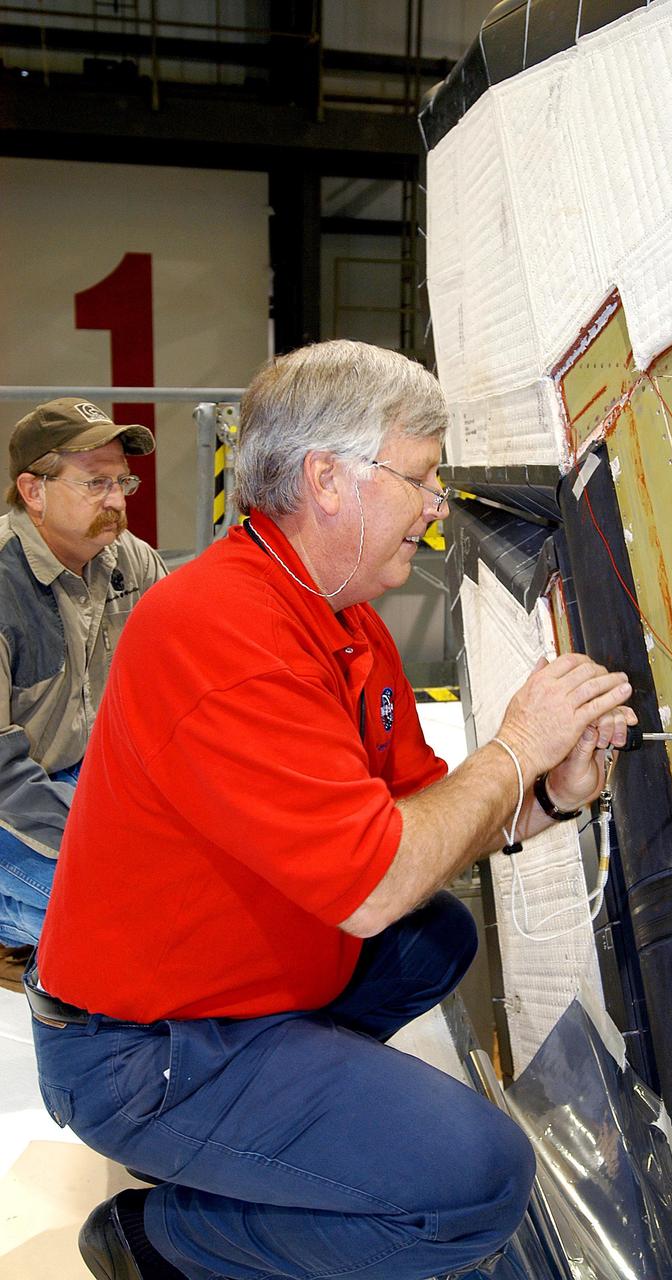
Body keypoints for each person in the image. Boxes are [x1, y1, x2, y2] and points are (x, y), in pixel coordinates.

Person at [29, 341, 635, 1280]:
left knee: (433, 938)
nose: (436, 509)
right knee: (476, 1181)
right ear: (328, 480)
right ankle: (167, 1241)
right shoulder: (223, 630)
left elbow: (425, 815)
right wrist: (516, 747)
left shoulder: (336, 618)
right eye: (423, 480)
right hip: (134, 1054)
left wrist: (550, 791)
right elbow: (374, 881)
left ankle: (278, 1138)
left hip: (220, 997)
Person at [0, 397, 166, 985]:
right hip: (9, 803)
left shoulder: (131, 562)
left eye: (123, 481)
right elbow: (2, 777)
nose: (118, 501)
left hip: (82, 779)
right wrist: (104, 834)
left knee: (193, 893)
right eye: (96, 483)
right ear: (33, 489)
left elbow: (179, 685)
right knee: (132, 917)